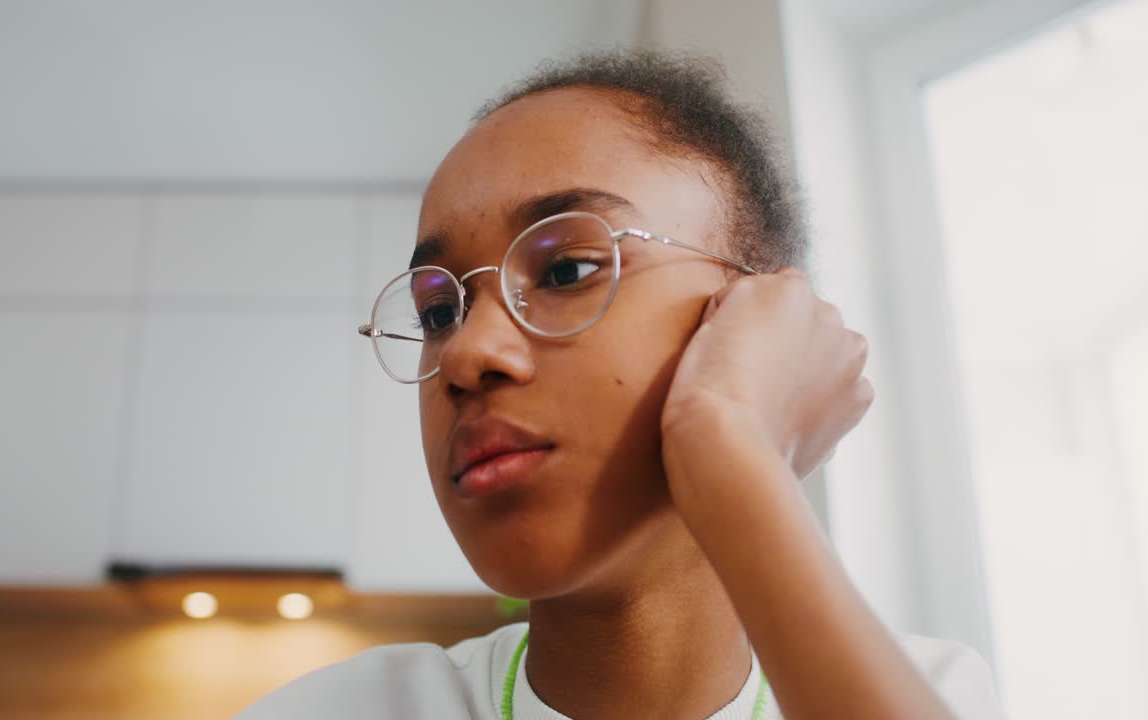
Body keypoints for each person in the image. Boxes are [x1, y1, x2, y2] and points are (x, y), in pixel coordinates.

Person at [238, 50, 1004, 719]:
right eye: (440, 309)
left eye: (567, 269)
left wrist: (732, 443)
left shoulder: (935, 690)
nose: (468, 353)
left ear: (760, 321)